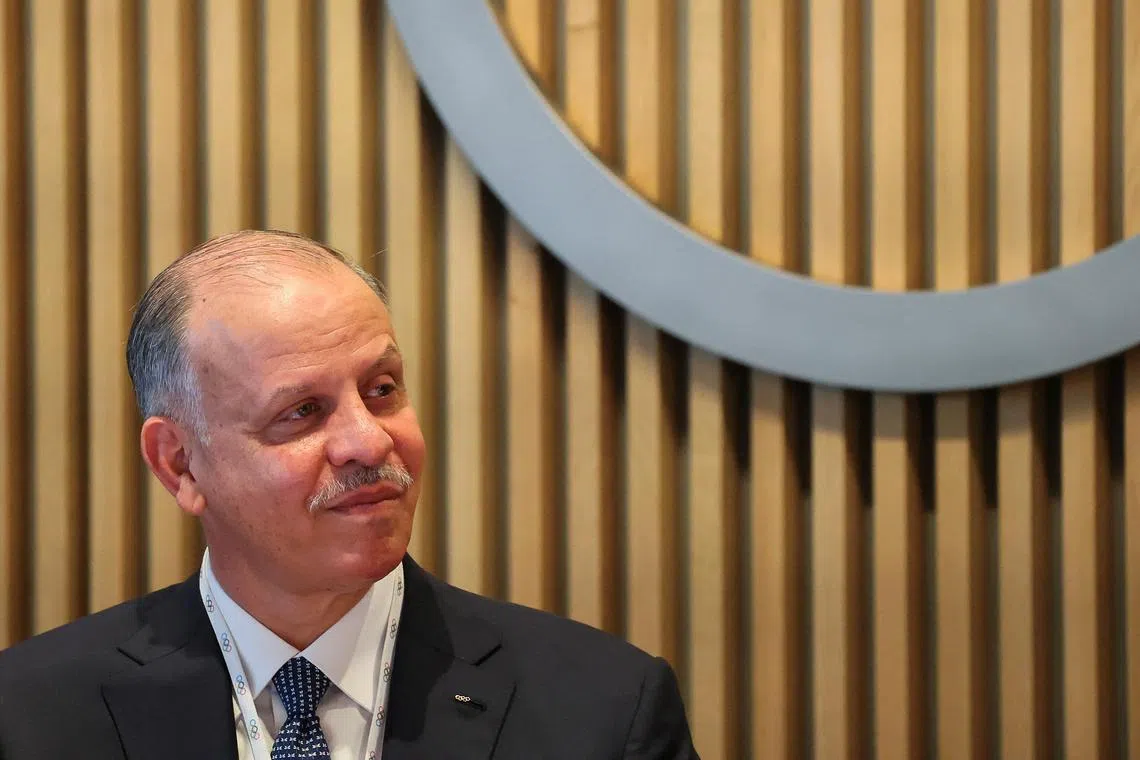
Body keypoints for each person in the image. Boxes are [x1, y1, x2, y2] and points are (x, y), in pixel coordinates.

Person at [0, 230, 698, 759]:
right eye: (302, 411)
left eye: (382, 389)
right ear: (179, 464)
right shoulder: (29, 715)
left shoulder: (605, 714)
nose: (369, 442)